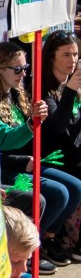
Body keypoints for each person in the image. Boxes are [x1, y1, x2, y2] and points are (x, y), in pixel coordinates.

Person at [0, 41, 81, 266]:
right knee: (54, 194)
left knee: (72, 188)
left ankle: (42, 242)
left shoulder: (17, 94)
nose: (23, 74)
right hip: (7, 172)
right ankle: (23, 249)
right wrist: (30, 130)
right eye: (17, 69)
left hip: (27, 165)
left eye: (25, 68)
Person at [41, 31, 81, 258]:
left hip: (72, 153)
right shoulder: (44, 89)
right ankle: (54, 238)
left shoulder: (72, 84)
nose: (72, 60)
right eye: (65, 54)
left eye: (75, 54)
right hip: (53, 159)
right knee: (74, 185)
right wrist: (70, 92)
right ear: (52, 57)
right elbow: (57, 127)